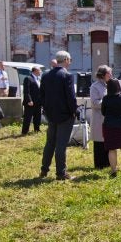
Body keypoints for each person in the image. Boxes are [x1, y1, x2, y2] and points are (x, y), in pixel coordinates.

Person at [39, 51, 77, 180]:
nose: (70, 62)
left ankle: (44, 169)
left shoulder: (46, 75)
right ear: (66, 59)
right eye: (70, 59)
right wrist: (73, 112)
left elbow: (42, 96)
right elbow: (71, 98)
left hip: (51, 114)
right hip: (65, 115)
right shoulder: (67, 75)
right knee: (61, 144)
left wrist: (46, 110)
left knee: (50, 143)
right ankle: (61, 173)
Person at [101, 78, 121, 176]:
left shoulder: (106, 98)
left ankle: (113, 171)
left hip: (109, 125)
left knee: (112, 149)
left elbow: (103, 112)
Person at [89, 65, 112, 169]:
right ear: (103, 75)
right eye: (108, 73)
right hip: (99, 118)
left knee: (107, 140)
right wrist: (107, 101)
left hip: (109, 118)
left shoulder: (110, 85)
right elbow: (94, 103)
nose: (111, 75)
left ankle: (108, 163)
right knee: (99, 141)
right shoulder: (95, 86)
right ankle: (99, 165)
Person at [21, 66, 42, 135]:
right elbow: (26, 91)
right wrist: (29, 100)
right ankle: (24, 131)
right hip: (30, 102)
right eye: (39, 70)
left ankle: (37, 129)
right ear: (35, 71)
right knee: (28, 117)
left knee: (37, 117)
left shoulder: (38, 79)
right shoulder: (28, 78)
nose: (40, 71)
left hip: (38, 102)